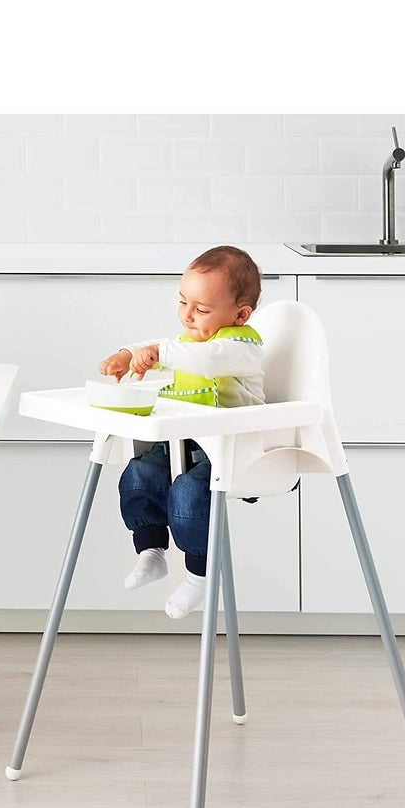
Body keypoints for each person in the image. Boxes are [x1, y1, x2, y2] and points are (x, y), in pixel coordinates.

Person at [98, 245, 265, 619]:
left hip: (233, 448)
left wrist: (160, 352)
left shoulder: (241, 346)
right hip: (186, 440)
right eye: (182, 302)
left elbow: (204, 359)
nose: (187, 316)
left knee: (188, 492)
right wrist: (128, 355)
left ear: (240, 314)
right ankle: (151, 550)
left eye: (201, 309)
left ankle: (199, 573)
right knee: (138, 472)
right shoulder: (189, 341)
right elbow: (167, 348)